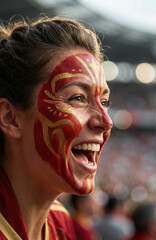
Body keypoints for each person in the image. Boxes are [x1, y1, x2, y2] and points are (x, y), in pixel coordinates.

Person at [0, 16, 113, 240]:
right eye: (78, 98)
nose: (106, 121)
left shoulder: (61, 224)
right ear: (11, 118)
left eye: (105, 102)